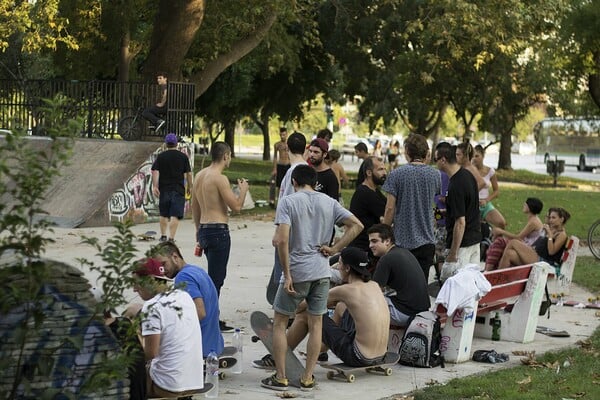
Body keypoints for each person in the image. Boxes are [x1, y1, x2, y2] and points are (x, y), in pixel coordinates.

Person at [260, 165, 363, 392]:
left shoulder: (288, 202)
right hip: (322, 271)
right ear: (315, 183)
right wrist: (335, 248)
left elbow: (283, 240)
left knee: (279, 322)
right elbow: (357, 225)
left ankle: (281, 377)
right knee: (316, 323)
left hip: (298, 270)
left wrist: (286, 273)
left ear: (294, 182)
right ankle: (307, 378)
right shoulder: (328, 201)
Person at [285, 247, 390, 368]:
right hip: (381, 356)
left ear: (347, 268)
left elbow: (300, 308)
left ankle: (281, 355)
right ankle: (321, 351)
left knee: (306, 314)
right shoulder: (374, 285)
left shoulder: (345, 290)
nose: (337, 267)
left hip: (358, 357)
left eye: (339, 263)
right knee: (341, 307)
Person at [191, 141, 249, 332]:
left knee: (212, 277)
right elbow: (237, 207)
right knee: (216, 279)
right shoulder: (219, 178)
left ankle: (210, 316)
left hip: (205, 229)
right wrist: (243, 191)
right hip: (218, 230)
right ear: (226, 156)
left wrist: (198, 230)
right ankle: (210, 320)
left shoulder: (200, 176)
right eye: (230, 156)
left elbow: (195, 206)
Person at [132, 258, 206, 397]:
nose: (134, 289)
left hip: (168, 385)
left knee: (124, 376)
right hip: (194, 381)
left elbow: (150, 354)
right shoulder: (184, 296)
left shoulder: (152, 306)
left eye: (136, 283)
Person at [382, 134, 441, 281]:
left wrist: (384, 232)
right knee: (421, 284)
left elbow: (390, 208)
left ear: (407, 151)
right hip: (427, 239)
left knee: (402, 284)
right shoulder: (435, 174)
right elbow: (434, 202)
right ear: (426, 152)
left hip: (403, 240)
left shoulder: (396, 174)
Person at [152, 241, 224, 358]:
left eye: (164, 264)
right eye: (159, 267)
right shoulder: (197, 270)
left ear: (175, 257)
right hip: (215, 346)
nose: (162, 270)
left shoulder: (183, 277)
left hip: (200, 351)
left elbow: (199, 313)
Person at [434, 142, 481, 280]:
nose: (435, 163)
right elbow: (468, 206)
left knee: (453, 284)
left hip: (462, 245)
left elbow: (460, 222)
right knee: (471, 285)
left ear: (443, 160)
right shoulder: (467, 175)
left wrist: (453, 253)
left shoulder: (455, 185)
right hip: (474, 239)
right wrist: (446, 212)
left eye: (436, 159)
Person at [368, 224, 430, 327]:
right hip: (422, 311)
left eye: (374, 241)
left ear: (387, 241)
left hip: (407, 314)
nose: (370, 245)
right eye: (370, 241)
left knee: (363, 302)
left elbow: (374, 291)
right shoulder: (404, 252)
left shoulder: (386, 259)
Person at [151, 133, 192, 242]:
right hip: (178, 189)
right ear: (176, 144)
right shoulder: (183, 157)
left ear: (166, 144)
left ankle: (163, 236)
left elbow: (155, 171)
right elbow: (188, 173)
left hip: (164, 189)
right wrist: (189, 186)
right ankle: (171, 238)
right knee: (175, 214)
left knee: (163, 213)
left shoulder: (161, 156)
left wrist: (155, 186)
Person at [498, 207, 570, 269]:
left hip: (544, 262)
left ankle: (496, 276)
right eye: (550, 217)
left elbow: (551, 252)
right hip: (535, 255)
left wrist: (550, 236)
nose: (550, 220)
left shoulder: (561, 235)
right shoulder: (551, 229)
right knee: (509, 254)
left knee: (513, 242)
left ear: (561, 219)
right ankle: (498, 279)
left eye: (553, 218)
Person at [484, 197, 543, 270]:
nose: (523, 205)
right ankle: (489, 270)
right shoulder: (532, 219)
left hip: (530, 250)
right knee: (501, 243)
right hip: (526, 246)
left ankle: (492, 271)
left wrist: (501, 231)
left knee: (504, 242)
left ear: (530, 207)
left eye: (525, 204)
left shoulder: (534, 222)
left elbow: (519, 237)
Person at [349, 156, 387, 266]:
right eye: (380, 170)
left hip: (371, 247)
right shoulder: (365, 193)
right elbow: (387, 215)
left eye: (384, 169)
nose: (384, 173)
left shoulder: (374, 191)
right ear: (369, 173)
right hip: (364, 250)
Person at [472, 145, 506, 229]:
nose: (474, 159)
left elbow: (496, 191)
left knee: (501, 223)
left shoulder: (490, 171)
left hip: (485, 204)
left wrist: (486, 200)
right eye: (472, 156)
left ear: (483, 156)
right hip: (472, 205)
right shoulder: (468, 171)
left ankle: (497, 241)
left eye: (477, 156)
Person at [270, 127, 291, 208]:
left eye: (284, 135)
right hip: (280, 165)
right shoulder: (277, 145)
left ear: (287, 134)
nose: (282, 136)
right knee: (279, 185)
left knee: (288, 184)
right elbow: (275, 157)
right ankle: (279, 203)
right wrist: (274, 168)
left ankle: (287, 203)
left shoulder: (289, 144)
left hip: (288, 165)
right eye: (281, 135)